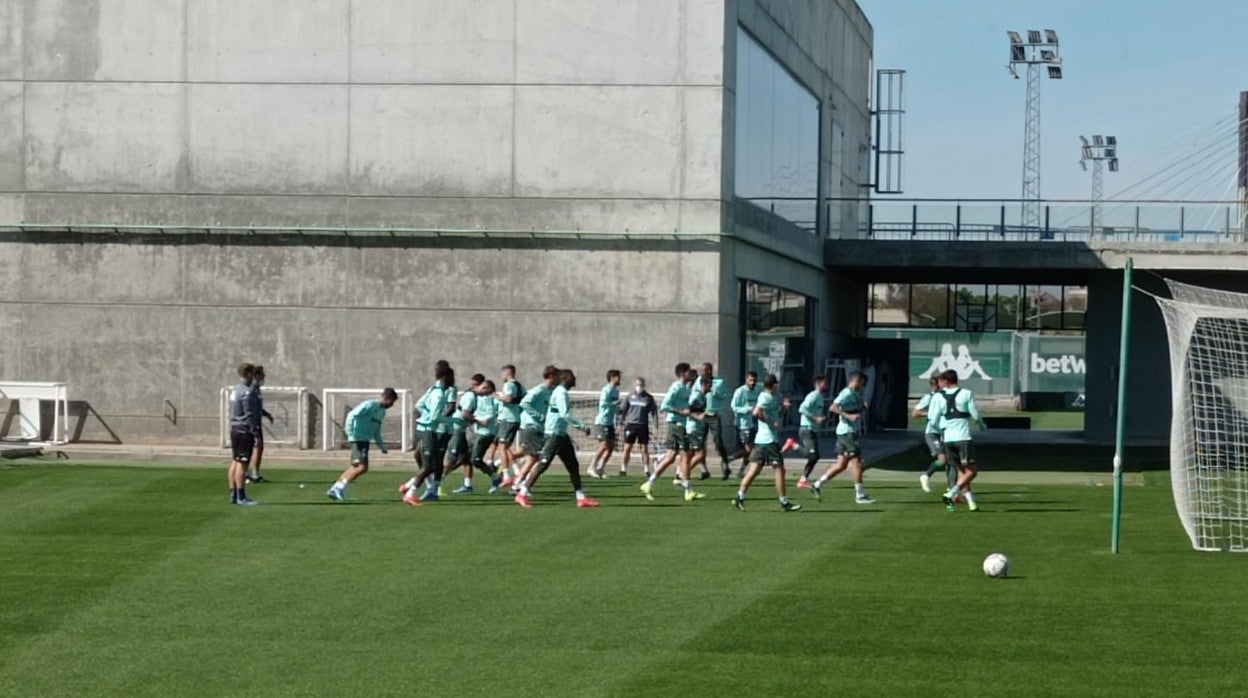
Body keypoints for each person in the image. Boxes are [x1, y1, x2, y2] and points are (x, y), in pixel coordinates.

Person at [514, 369, 600, 508]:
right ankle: (522, 493)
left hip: (560, 434)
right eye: (573, 376)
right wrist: (582, 426)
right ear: (566, 378)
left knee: (573, 466)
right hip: (554, 434)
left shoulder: (560, 392)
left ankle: (581, 497)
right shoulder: (561, 393)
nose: (575, 378)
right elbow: (564, 414)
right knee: (543, 464)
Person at [733, 373, 800, 512]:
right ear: (774, 385)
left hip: (762, 440)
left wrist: (784, 408)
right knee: (779, 470)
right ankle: (784, 501)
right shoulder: (765, 397)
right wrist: (770, 423)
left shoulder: (772, 397)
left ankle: (740, 496)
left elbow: (776, 415)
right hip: (769, 441)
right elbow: (757, 412)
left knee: (754, 470)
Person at [810, 371, 876, 505]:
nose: (863, 386)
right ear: (856, 381)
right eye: (862, 383)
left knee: (841, 465)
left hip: (847, 432)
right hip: (847, 433)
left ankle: (817, 484)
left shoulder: (855, 394)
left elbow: (859, 410)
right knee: (857, 464)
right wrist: (848, 416)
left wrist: (863, 409)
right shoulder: (846, 393)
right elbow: (833, 407)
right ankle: (860, 495)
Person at [640, 364, 702, 502]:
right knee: (685, 457)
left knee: (671, 456)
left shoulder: (686, 388)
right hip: (676, 425)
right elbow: (665, 406)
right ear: (682, 374)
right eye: (688, 371)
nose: (690, 373)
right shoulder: (676, 387)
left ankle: (649, 483)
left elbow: (685, 408)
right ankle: (688, 491)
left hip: (680, 424)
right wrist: (681, 412)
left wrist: (694, 415)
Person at [327, 387, 397, 502]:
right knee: (362, 467)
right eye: (391, 401)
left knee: (355, 466)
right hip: (358, 438)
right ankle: (339, 487)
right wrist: (350, 432)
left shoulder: (382, 412)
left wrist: (381, 445)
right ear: (385, 398)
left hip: (365, 440)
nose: (392, 404)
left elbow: (376, 430)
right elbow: (352, 415)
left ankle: (335, 488)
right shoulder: (369, 405)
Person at [933, 369, 988, 512]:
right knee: (972, 471)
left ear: (946, 381)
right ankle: (950, 493)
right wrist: (982, 425)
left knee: (963, 472)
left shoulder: (939, 396)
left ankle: (972, 503)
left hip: (948, 440)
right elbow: (975, 414)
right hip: (963, 438)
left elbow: (933, 419)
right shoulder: (966, 393)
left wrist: (941, 432)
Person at [400, 366, 454, 505]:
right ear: (444, 377)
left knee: (426, 460)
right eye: (451, 377)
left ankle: (426, 489)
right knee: (430, 465)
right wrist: (452, 420)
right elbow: (435, 418)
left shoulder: (433, 389)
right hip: (429, 430)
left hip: (423, 428)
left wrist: (426, 415)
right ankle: (411, 492)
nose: (453, 380)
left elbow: (419, 405)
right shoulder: (439, 394)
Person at [512, 366, 558, 491]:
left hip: (538, 428)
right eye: (557, 376)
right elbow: (524, 403)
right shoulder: (539, 390)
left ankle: (518, 482)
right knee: (534, 458)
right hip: (531, 427)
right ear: (551, 376)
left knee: (530, 456)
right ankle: (518, 484)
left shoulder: (551, 392)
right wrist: (538, 416)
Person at [787, 375, 830, 489]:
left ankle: (803, 480)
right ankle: (793, 444)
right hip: (807, 429)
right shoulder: (813, 395)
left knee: (815, 457)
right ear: (818, 383)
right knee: (813, 455)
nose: (827, 386)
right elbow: (802, 408)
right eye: (825, 383)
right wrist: (815, 417)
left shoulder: (820, 397)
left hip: (813, 430)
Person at [913, 376, 955, 494]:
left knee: (950, 460)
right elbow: (915, 413)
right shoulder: (929, 397)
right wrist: (929, 413)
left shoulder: (945, 396)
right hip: (932, 432)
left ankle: (951, 488)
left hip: (945, 432)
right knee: (943, 459)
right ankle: (926, 475)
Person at [227, 363, 260, 505]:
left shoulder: (235, 389)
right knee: (242, 463)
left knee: (235, 461)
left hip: (234, 428)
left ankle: (233, 493)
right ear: (248, 374)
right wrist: (255, 432)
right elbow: (249, 413)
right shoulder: (247, 391)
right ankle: (241, 495)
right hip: (244, 430)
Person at [446, 373, 484, 493]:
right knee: (452, 459)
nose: (474, 387)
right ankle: (436, 483)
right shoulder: (471, 396)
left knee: (466, 458)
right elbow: (465, 414)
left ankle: (468, 485)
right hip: (457, 428)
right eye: (473, 385)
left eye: (476, 385)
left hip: (462, 428)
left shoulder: (477, 396)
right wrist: (478, 421)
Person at [468, 379, 504, 494]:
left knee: (476, 460)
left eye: (483, 388)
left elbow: (490, 416)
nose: (480, 389)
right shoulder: (478, 398)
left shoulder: (493, 399)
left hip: (486, 433)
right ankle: (495, 476)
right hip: (479, 431)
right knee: (470, 458)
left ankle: (496, 478)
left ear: (489, 389)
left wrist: (477, 419)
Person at [698, 363, 733, 479]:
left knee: (718, 440)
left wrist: (713, 391)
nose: (704, 372)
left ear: (710, 371)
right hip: (702, 415)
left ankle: (725, 463)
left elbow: (724, 395)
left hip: (714, 415)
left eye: (706, 370)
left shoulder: (719, 382)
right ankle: (703, 468)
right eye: (702, 370)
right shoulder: (698, 381)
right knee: (700, 442)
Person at [619, 377, 659, 477]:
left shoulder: (648, 398)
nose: (639, 387)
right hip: (631, 425)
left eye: (641, 385)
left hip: (643, 425)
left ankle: (646, 469)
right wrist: (620, 424)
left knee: (644, 448)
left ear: (644, 385)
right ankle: (623, 468)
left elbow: (654, 413)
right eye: (637, 385)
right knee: (627, 447)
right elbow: (623, 411)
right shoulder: (629, 396)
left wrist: (655, 427)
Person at [587, 370, 622, 478]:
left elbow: (615, 408)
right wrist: (614, 404)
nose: (620, 380)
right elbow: (603, 404)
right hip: (602, 422)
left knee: (611, 447)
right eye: (618, 377)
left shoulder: (616, 391)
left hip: (610, 423)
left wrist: (618, 411)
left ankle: (600, 468)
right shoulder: (606, 390)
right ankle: (591, 467)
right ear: (613, 378)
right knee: (603, 445)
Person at [493, 364, 525, 484]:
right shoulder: (520, 386)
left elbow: (508, 399)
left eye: (502, 374)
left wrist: (496, 396)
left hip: (507, 419)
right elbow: (524, 399)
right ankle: (517, 473)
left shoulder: (509, 385)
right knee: (506, 447)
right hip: (515, 419)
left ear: (507, 373)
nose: (502, 376)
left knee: (502, 447)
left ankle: (506, 475)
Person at [245, 364, 274, 484]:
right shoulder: (250, 390)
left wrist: (266, 414)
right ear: (256, 375)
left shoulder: (257, 389)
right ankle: (246, 474)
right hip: (250, 425)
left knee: (259, 447)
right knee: (250, 449)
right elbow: (249, 409)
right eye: (262, 374)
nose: (264, 376)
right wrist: (252, 425)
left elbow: (257, 407)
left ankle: (255, 473)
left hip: (256, 423)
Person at [730, 371, 761, 478]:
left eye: (754, 380)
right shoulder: (740, 391)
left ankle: (741, 470)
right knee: (749, 450)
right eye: (750, 380)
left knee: (751, 449)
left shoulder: (757, 390)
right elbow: (734, 407)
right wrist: (748, 409)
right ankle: (730, 458)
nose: (753, 383)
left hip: (755, 423)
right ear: (746, 380)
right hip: (744, 424)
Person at [682, 373, 712, 484]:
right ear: (705, 384)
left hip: (697, 428)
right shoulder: (696, 396)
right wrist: (698, 417)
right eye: (709, 385)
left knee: (690, 453)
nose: (711, 387)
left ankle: (683, 475)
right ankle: (683, 473)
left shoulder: (703, 396)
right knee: (701, 453)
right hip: (693, 428)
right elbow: (687, 410)